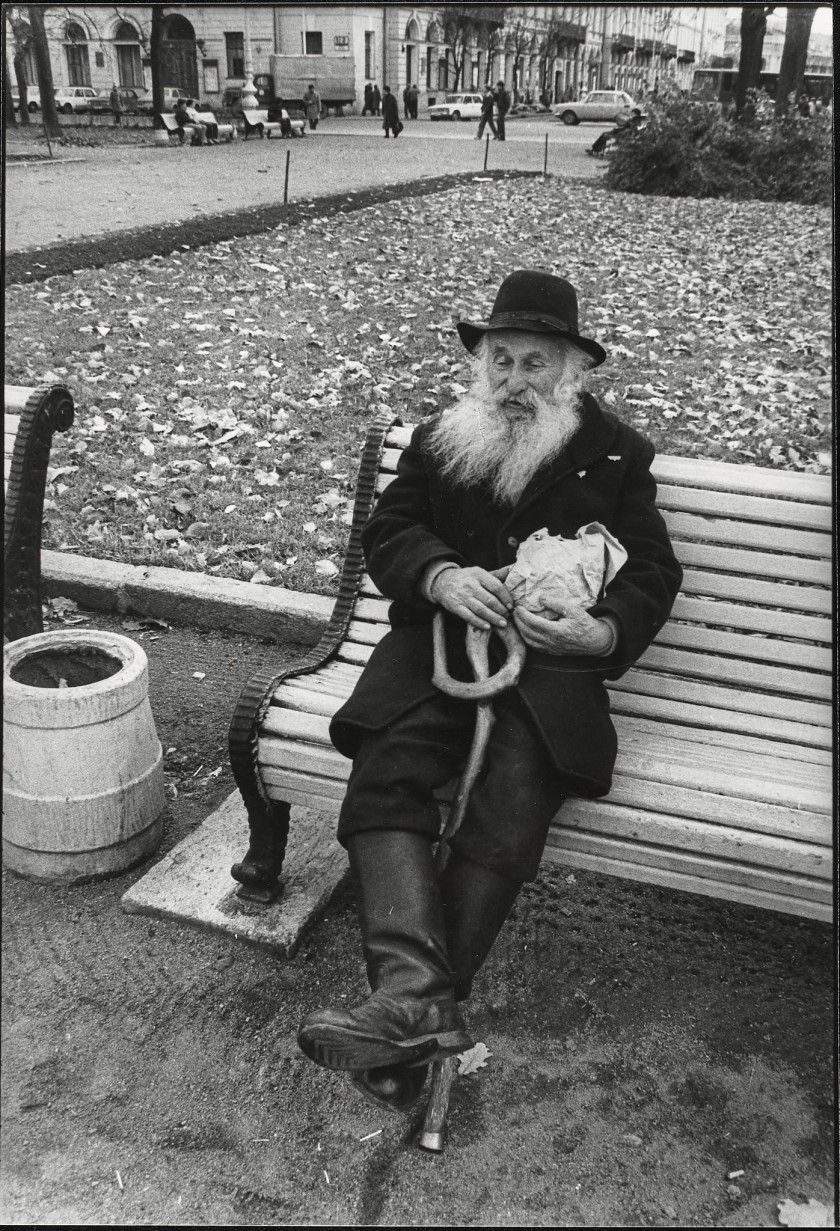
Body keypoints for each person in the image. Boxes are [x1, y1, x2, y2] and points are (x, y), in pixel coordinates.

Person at [296, 270, 683, 1110]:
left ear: (573, 370)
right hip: (438, 642)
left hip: (549, 668)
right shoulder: (443, 437)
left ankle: (411, 1010)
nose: (512, 381)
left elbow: (653, 570)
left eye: (533, 363)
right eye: (500, 360)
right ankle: (416, 999)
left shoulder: (618, 453)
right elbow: (391, 530)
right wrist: (437, 575)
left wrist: (602, 631)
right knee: (387, 766)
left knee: (512, 798)